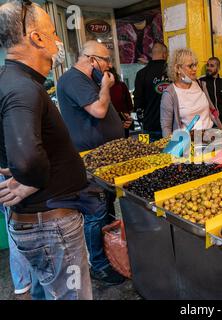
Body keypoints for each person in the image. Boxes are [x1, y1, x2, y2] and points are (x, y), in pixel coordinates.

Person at [0, 0, 91, 299]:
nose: (58, 40)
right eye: (52, 32)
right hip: (52, 229)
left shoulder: (14, 81)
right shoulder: (21, 88)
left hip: (44, 227)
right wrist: (30, 180)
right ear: (36, 38)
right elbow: (26, 159)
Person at [57, 41, 125, 286]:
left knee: (105, 207)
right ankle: (99, 265)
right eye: (106, 59)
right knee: (96, 212)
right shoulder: (74, 79)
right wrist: (105, 85)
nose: (110, 65)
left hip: (104, 158)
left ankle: (110, 255)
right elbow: (98, 110)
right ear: (92, 59)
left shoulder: (88, 80)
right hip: (90, 160)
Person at [160, 48, 219, 137]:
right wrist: (172, 148)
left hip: (211, 138)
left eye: (195, 65)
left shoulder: (201, 85)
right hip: (189, 145)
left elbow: (211, 111)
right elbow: (166, 127)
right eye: (190, 66)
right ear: (177, 68)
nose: (195, 69)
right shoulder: (170, 94)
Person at [134, 43, 170, 140]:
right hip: (170, 126)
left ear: (152, 54)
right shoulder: (173, 73)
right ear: (165, 54)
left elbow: (137, 101)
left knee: (147, 154)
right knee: (171, 154)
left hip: (148, 126)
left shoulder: (141, 74)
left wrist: (141, 120)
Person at [199, 57, 222, 124]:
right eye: (207, 65)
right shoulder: (201, 81)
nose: (208, 68)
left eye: (212, 66)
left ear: (218, 68)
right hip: (209, 120)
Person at [109, 67, 133, 137]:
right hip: (117, 122)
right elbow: (130, 106)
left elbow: (129, 105)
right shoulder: (121, 85)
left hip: (121, 122)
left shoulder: (121, 85)